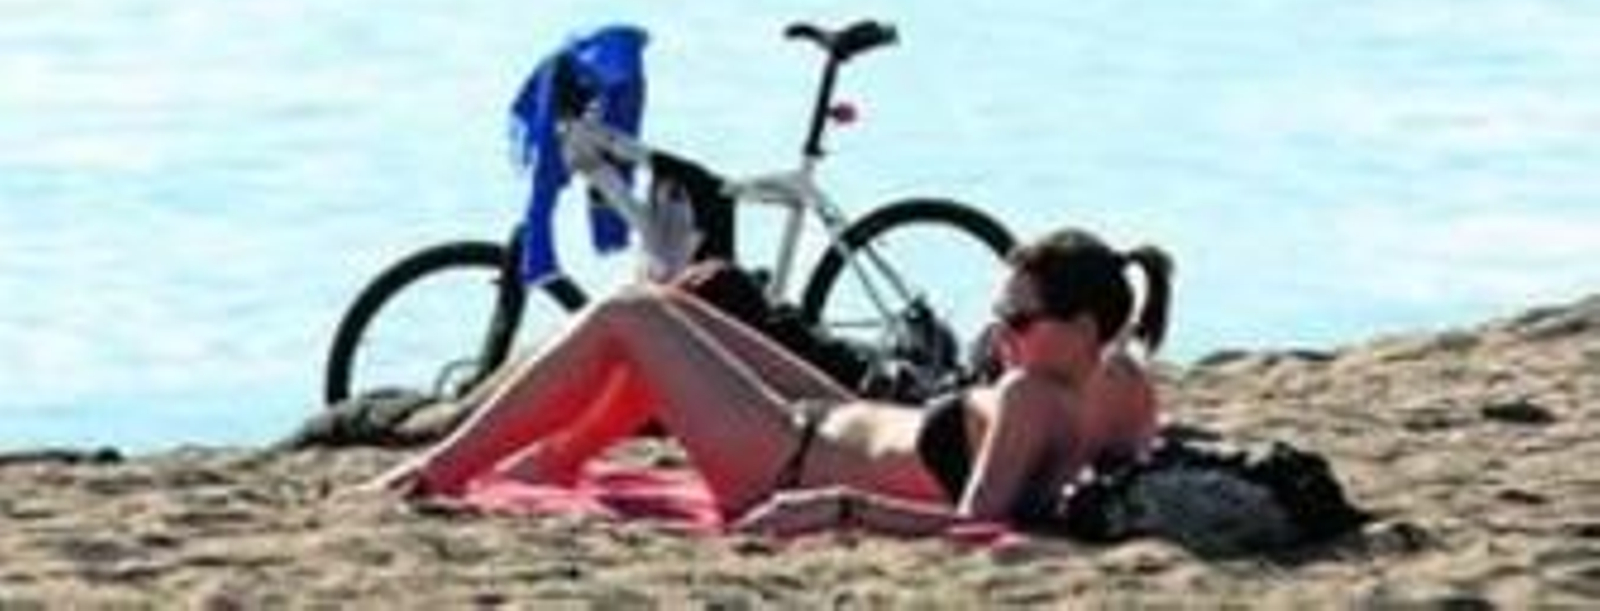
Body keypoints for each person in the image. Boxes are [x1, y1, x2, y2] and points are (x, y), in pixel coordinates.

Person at [381, 227, 1174, 538]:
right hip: (838, 418)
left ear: (1079, 327)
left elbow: (979, 529)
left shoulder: (1032, 396)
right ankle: (554, 459)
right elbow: (1114, 484)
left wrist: (835, 507)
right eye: (999, 317)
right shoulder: (1122, 381)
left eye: (1019, 323)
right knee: (670, 304)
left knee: (629, 313)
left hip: (784, 459)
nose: (999, 335)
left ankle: (439, 469)